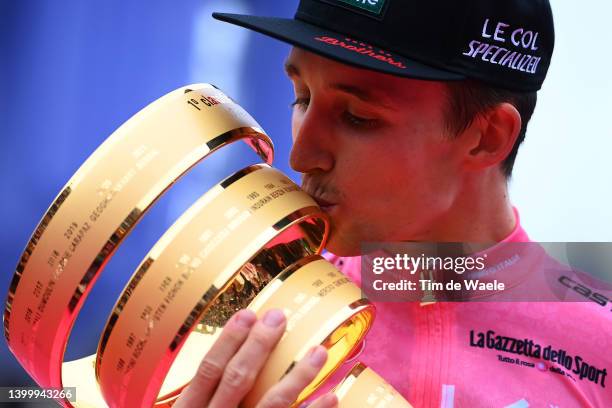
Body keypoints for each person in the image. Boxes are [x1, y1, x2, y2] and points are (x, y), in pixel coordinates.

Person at [175, 0, 611, 406]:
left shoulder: (600, 344)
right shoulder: (242, 313)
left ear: (487, 137)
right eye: (302, 96)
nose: (302, 155)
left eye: (356, 117)